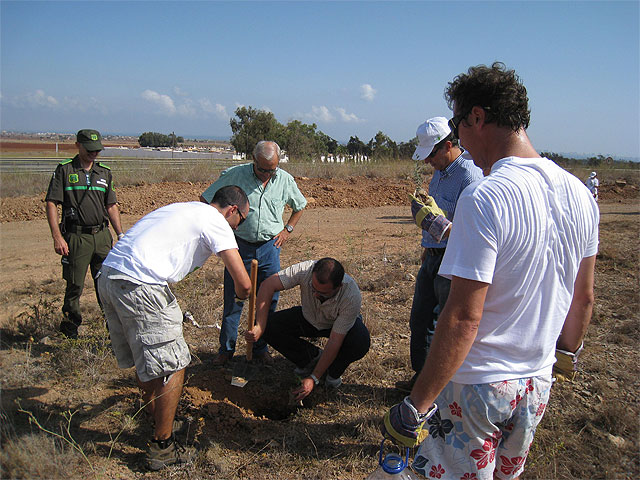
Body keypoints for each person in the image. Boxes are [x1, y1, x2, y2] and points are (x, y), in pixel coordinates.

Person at [382, 63, 599, 480]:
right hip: (537, 383)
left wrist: (416, 406)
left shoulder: (486, 196)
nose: (459, 137)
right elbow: (583, 297)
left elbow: (463, 318)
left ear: (477, 118)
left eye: (459, 125)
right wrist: (563, 356)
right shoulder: (580, 195)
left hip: (479, 387)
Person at [96, 185, 252, 470]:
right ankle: (163, 446)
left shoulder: (184, 208)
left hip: (109, 276)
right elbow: (242, 283)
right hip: (140, 283)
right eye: (240, 220)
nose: (238, 226)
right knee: (174, 363)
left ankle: (157, 418)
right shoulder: (216, 221)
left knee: (146, 359)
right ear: (232, 210)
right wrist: (247, 293)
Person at [200, 140, 307, 366]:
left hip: (270, 248)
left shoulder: (285, 180)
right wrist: (221, 232)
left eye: (272, 169)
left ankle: (261, 347)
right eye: (262, 169)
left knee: (268, 301)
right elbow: (207, 199)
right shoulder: (235, 175)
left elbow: (299, 205)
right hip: (240, 246)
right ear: (253, 160)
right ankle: (226, 351)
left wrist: (287, 230)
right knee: (234, 299)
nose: (267, 174)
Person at [395, 117, 483, 393]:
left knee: (441, 325)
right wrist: (427, 243)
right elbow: (436, 215)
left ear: (447, 145)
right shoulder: (439, 174)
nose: (427, 162)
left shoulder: (470, 176)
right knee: (419, 321)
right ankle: (421, 379)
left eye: (431, 154)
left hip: (454, 261)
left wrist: (441, 227)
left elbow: (474, 230)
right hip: (433, 256)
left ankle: (436, 388)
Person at [245, 258, 370, 402]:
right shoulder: (305, 270)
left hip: (335, 324)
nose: (316, 295)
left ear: (338, 287)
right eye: (313, 289)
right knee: (268, 325)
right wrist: (260, 326)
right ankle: (310, 358)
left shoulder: (351, 296)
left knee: (360, 341)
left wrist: (314, 378)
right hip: (308, 317)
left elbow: (335, 340)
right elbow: (268, 285)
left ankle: (333, 372)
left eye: (323, 293)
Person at [45, 129, 124, 339]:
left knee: (107, 285)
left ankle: (114, 332)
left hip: (101, 237)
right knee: (75, 286)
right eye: (90, 150)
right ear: (78, 145)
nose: (94, 154)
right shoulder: (64, 170)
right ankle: (70, 332)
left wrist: (120, 234)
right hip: (76, 238)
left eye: (97, 150)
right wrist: (57, 236)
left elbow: (111, 206)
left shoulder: (104, 173)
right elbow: (52, 203)